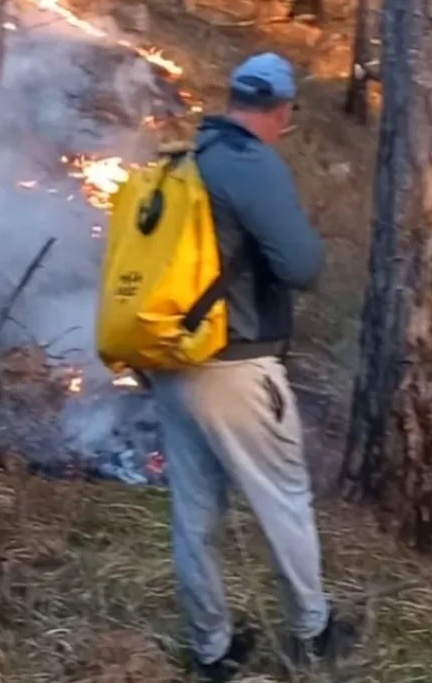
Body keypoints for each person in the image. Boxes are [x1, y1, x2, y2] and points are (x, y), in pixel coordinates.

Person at [150, 53, 355, 682]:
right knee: (283, 500)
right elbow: (301, 265)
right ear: (282, 109)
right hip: (234, 367)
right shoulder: (249, 162)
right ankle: (313, 633)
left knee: (194, 514)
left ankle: (211, 650)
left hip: (172, 360)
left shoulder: (187, 156)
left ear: (234, 97)